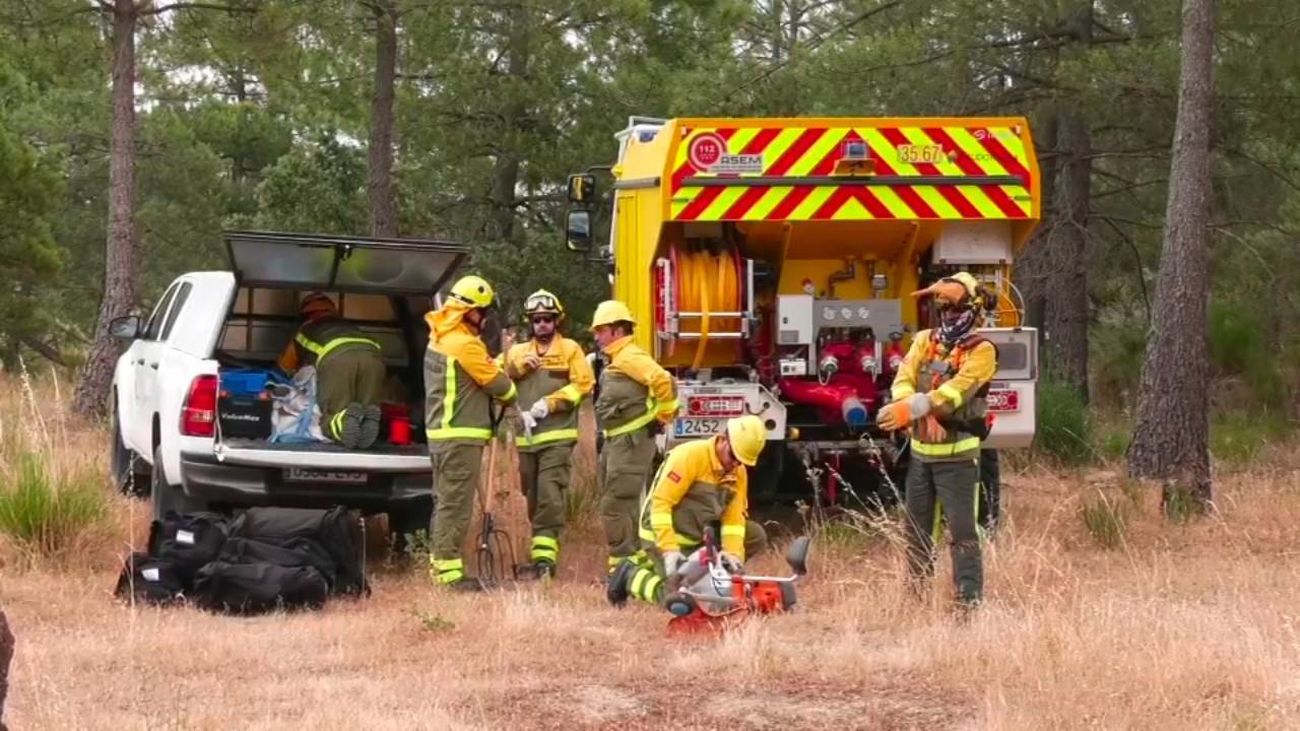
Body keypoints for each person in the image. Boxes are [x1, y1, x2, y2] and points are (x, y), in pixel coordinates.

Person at [877, 272, 997, 608]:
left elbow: (956, 392)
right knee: (916, 532)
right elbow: (903, 379)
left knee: (963, 534)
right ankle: (916, 601)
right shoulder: (924, 340)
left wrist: (917, 407)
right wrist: (910, 406)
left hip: (958, 459)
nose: (948, 314)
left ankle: (967, 603)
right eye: (943, 308)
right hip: (920, 457)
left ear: (973, 310)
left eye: (955, 308)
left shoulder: (982, 351)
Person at [607, 415, 769, 606]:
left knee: (755, 535)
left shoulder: (737, 472)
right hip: (661, 533)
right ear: (723, 439)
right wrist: (669, 550)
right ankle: (628, 575)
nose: (735, 465)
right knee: (678, 600)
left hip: (698, 536)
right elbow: (661, 505)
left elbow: (733, 520)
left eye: (741, 462)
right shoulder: (690, 457)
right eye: (733, 456)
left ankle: (713, 577)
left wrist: (732, 553)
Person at [424, 275, 518, 591]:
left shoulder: (439, 337)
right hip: (460, 437)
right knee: (456, 505)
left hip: (441, 435)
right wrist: (504, 380)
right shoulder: (465, 345)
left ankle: (439, 565)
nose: (485, 319)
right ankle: (448, 575)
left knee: (444, 500)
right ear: (470, 312)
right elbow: (502, 388)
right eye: (483, 312)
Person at [501, 289, 595, 579]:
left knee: (549, 494)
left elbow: (583, 384)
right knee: (532, 495)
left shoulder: (570, 349)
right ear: (530, 322)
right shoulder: (517, 352)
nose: (542, 324)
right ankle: (542, 543)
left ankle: (544, 560)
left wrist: (549, 404)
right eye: (537, 320)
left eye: (547, 319)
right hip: (525, 439)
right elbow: (494, 376)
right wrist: (515, 368)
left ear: (557, 321)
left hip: (557, 436)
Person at [590, 300, 679, 576]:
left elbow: (663, 381)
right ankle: (635, 559)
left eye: (601, 330)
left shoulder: (630, 356)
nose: (597, 336)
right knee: (623, 502)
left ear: (617, 331)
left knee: (614, 504)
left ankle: (622, 565)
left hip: (630, 443)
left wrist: (663, 415)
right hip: (620, 441)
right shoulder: (618, 358)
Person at [277, 292, 386, 449]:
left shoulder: (305, 329)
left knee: (334, 414)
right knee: (366, 408)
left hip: (337, 360)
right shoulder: (350, 327)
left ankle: (340, 428)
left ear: (306, 313)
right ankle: (365, 426)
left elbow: (286, 365)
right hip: (373, 358)